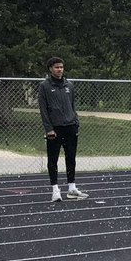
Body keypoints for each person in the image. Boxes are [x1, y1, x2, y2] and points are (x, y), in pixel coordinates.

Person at [38, 57, 88, 203]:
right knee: (53, 160)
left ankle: (72, 188)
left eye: (61, 67)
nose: (59, 69)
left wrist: (75, 122)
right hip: (55, 128)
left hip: (70, 127)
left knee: (71, 158)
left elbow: (72, 106)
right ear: (50, 69)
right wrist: (49, 128)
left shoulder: (69, 85)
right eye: (56, 67)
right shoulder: (45, 86)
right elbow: (43, 110)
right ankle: (55, 190)